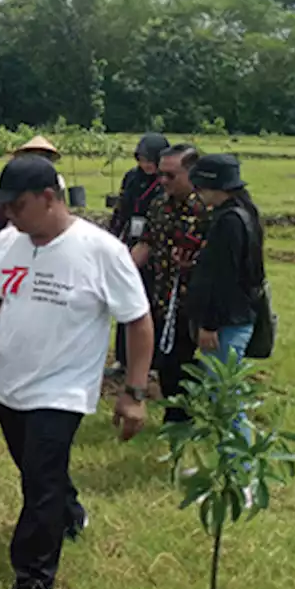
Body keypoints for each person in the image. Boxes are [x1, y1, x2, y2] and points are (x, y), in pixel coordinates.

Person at [0, 154, 153, 589]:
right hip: (11, 385)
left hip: (63, 390)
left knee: (39, 482)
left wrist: (134, 392)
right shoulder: (5, 245)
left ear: (48, 198)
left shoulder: (102, 251)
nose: (10, 217)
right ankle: (70, 512)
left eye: (17, 206)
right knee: (36, 472)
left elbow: (138, 322)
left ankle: (35, 586)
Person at [130, 145, 206, 423]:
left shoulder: (206, 209)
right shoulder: (159, 204)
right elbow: (147, 242)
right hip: (163, 297)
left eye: (171, 176)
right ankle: (177, 416)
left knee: (184, 361)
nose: (163, 181)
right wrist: (123, 270)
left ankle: (184, 417)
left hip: (196, 301)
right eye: (161, 174)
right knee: (166, 362)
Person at [186, 154, 266, 366]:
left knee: (221, 384)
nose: (197, 195)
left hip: (227, 319)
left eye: (200, 189)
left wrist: (209, 324)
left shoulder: (229, 222)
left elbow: (223, 277)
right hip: (237, 314)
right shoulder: (245, 213)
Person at [107, 132, 170, 371]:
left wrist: (148, 245)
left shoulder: (166, 181)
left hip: (157, 247)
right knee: (126, 298)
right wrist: (111, 240)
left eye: (149, 160)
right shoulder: (133, 178)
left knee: (151, 303)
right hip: (131, 243)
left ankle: (151, 361)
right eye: (142, 159)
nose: (146, 165)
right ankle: (123, 358)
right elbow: (122, 211)